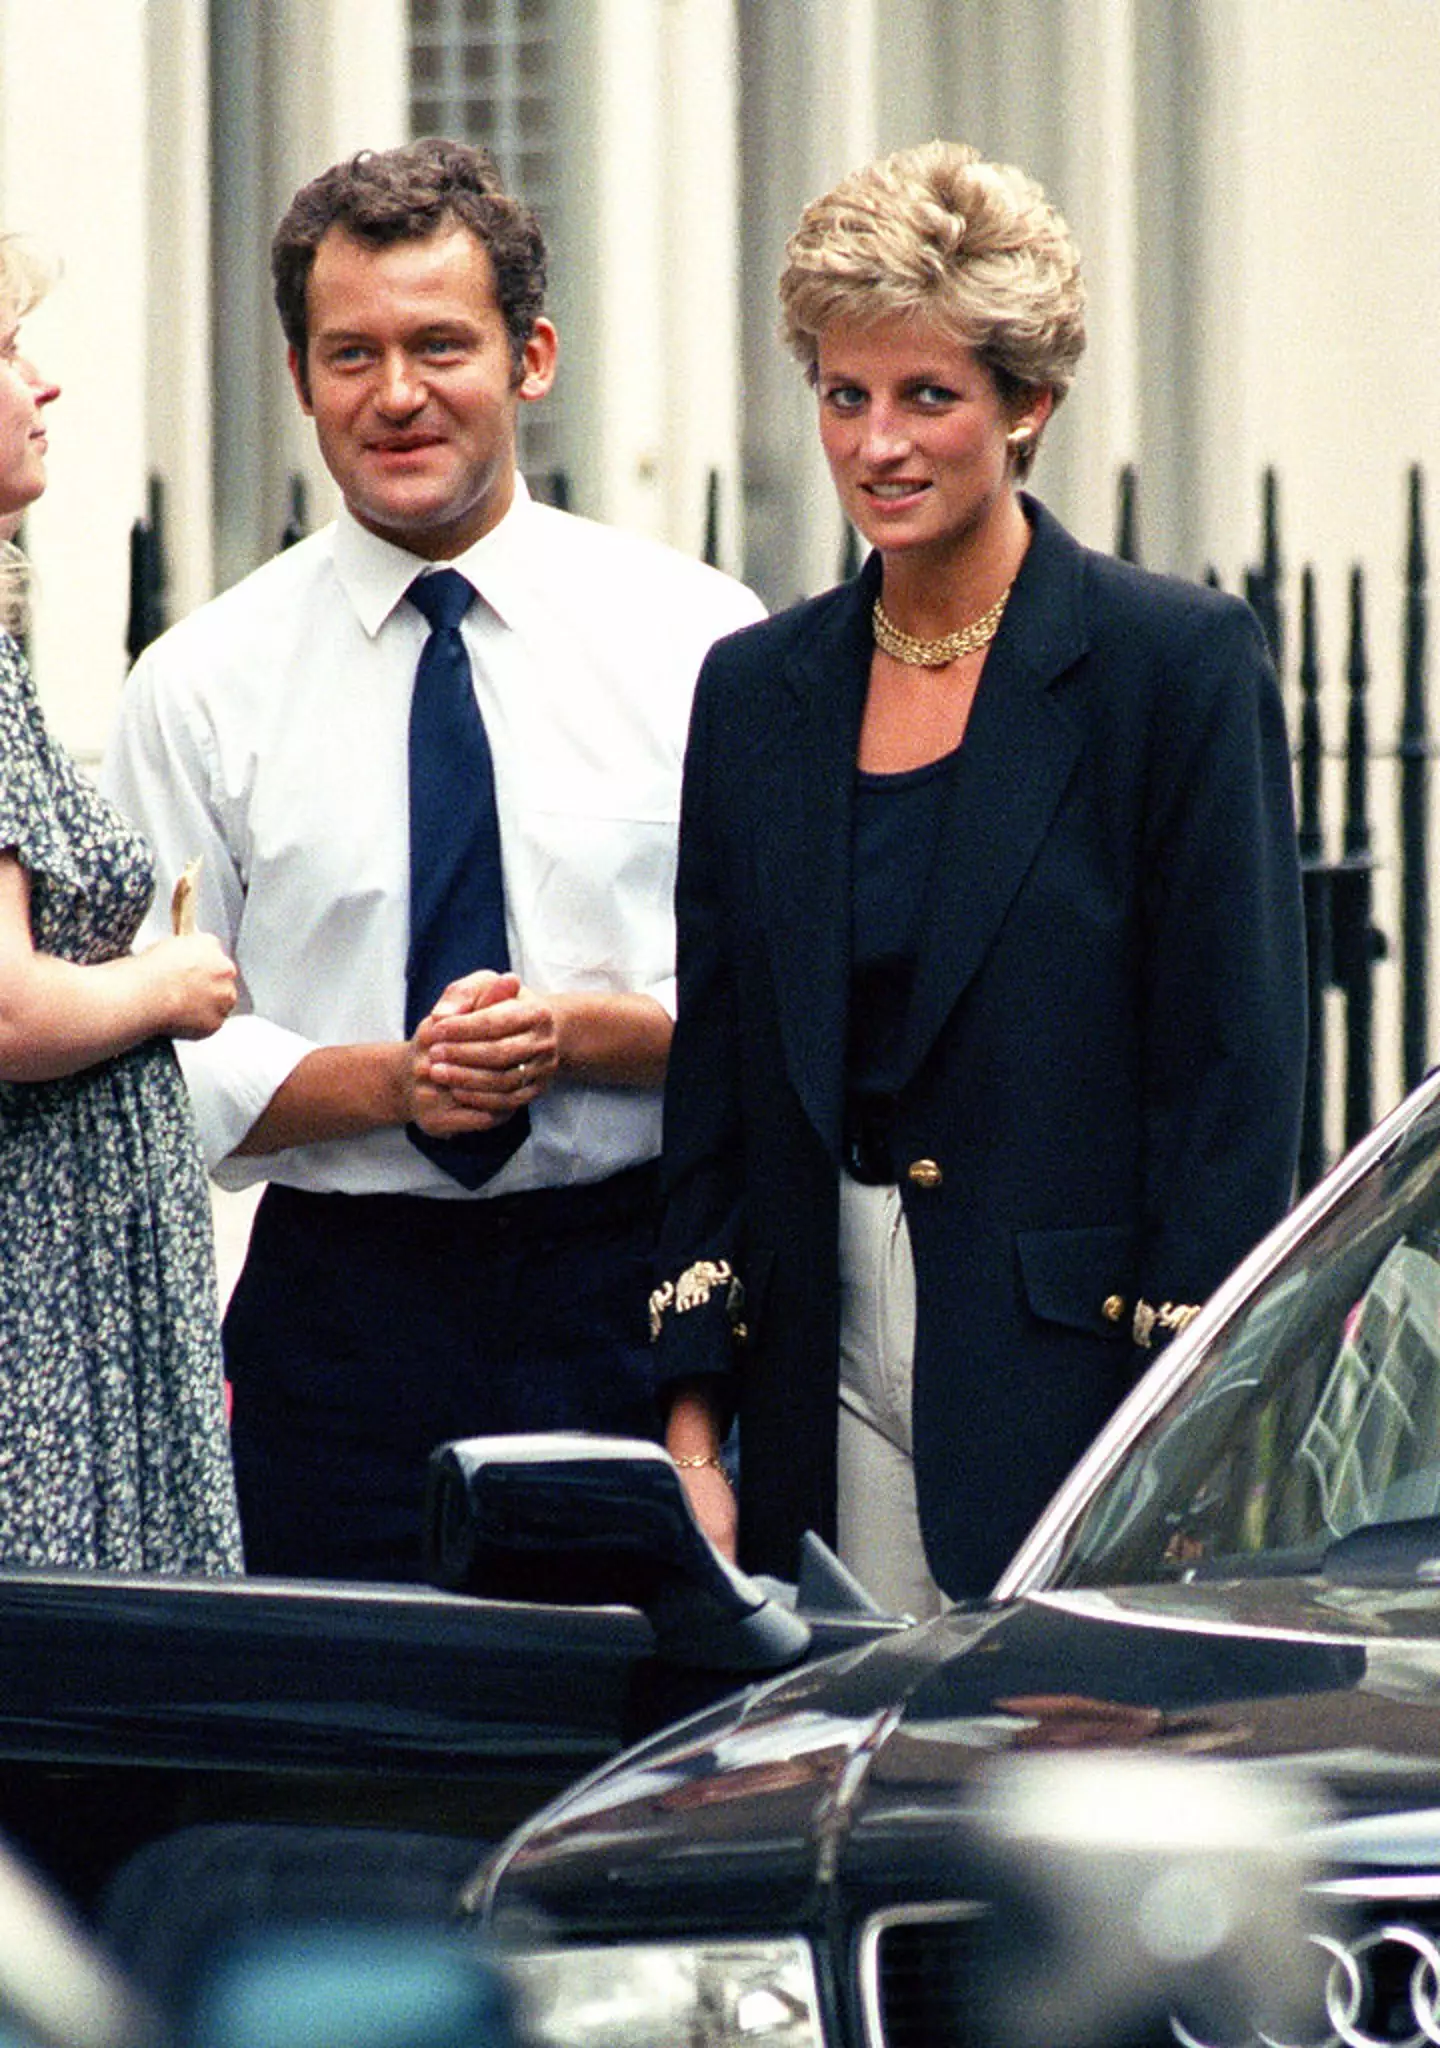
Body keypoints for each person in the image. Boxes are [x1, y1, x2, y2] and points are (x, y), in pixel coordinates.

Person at [653, 141, 1307, 1614]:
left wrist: (1180, 1442)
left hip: (1073, 1377)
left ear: (1029, 408)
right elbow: (721, 1073)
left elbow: (1231, 1080)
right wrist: (694, 1426)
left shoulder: (1174, 667)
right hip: (813, 1353)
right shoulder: (757, 689)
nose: (878, 443)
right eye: (844, 395)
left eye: (927, 397)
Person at [102, 140, 764, 1583]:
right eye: (352, 353)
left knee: (629, 1751)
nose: (395, 395)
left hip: (629, 1298)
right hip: (343, 1320)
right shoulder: (201, 685)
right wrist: (393, 1084)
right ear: (300, 380)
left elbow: (775, 1016)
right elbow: (150, 1052)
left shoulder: (701, 644)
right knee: (346, 1750)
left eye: (439, 344)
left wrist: (583, 1037)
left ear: (531, 358)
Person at [0, 237, 243, 1573]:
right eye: (8, 352)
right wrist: (172, 986)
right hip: (37, 1312)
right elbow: (8, 1006)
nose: (44, 387)